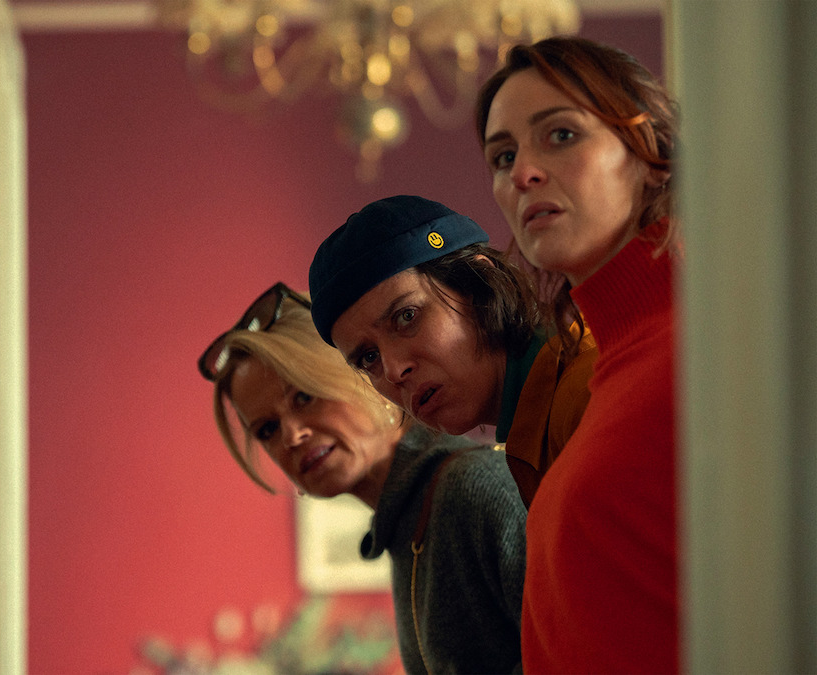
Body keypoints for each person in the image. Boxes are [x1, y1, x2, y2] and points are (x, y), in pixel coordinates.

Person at [476, 36, 679, 673]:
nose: (523, 173)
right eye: (503, 156)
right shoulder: (606, 376)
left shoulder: (708, 358)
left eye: (560, 135)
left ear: (648, 154)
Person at [199, 282, 526, 673]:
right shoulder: (409, 524)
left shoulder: (472, 488)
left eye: (304, 397)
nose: (291, 436)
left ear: (368, 374)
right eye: (267, 429)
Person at [307, 195, 597, 508]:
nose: (393, 370)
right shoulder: (537, 425)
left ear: (480, 285)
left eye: (406, 317)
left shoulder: (587, 395)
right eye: (369, 357)